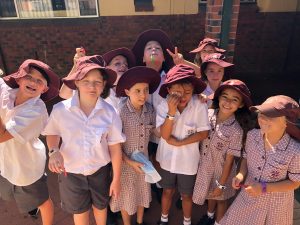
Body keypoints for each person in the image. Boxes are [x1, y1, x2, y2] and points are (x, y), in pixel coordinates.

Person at [43, 55, 125, 225]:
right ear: (77, 82)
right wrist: (53, 150)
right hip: (71, 173)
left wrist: (116, 179)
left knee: (100, 208)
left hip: (100, 171)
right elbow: (52, 132)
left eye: (97, 82)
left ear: (103, 86)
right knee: (79, 213)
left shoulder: (110, 113)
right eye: (86, 80)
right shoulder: (61, 110)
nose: (92, 86)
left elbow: (115, 148)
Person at [220, 95, 300, 225]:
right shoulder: (252, 136)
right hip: (248, 197)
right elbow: (246, 158)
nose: (263, 119)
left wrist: (264, 188)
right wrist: (240, 175)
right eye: (261, 113)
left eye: (271, 116)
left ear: (286, 122)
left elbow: (295, 183)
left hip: (275, 206)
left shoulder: (295, 151)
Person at [0, 59, 60, 225]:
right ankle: (30, 205)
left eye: (39, 81)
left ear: (44, 88)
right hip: (4, 162)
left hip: (27, 168)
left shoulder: (36, 111)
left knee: (42, 200)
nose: (33, 82)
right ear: (18, 79)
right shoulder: (6, 91)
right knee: (10, 193)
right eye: (29, 77)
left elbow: (1, 136)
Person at [156, 64, 210, 225]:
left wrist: (181, 143)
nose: (183, 96)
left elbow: (204, 133)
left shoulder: (199, 105)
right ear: (169, 89)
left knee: (187, 195)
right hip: (167, 159)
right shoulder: (163, 105)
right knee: (167, 191)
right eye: (177, 92)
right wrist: (171, 112)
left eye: (187, 92)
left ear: (193, 90)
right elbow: (165, 135)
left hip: (188, 161)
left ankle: (187, 221)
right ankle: (163, 219)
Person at [192, 80, 253, 225]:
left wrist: (222, 185)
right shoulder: (207, 113)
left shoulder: (236, 129)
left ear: (241, 104)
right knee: (210, 195)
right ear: (218, 97)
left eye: (235, 99)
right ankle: (209, 215)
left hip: (222, 172)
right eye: (225, 96)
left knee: (221, 199)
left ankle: (218, 222)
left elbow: (229, 161)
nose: (228, 102)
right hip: (204, 167)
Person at [110, 66, 161, 225]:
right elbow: (115, 145)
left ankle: (139, 222)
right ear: (127, 92)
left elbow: (155, 132)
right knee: (125, 197)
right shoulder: (120, 113)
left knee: (142, 194)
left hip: (144, 162)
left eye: (145, 90)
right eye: (137, 90)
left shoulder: (150, 111)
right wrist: (129, 161)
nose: (143, 95)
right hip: (125, 165)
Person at [132, 29, 175, 202]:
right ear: (143, 58)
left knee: (159, 159)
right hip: (140, 130)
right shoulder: (136, 79)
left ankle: (158, 185)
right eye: (149, 48)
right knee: (142, 159)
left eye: (157, 48)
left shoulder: (170, 80)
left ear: (164, 58)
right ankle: (146, 189)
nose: (153, 50)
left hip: (160, 131)